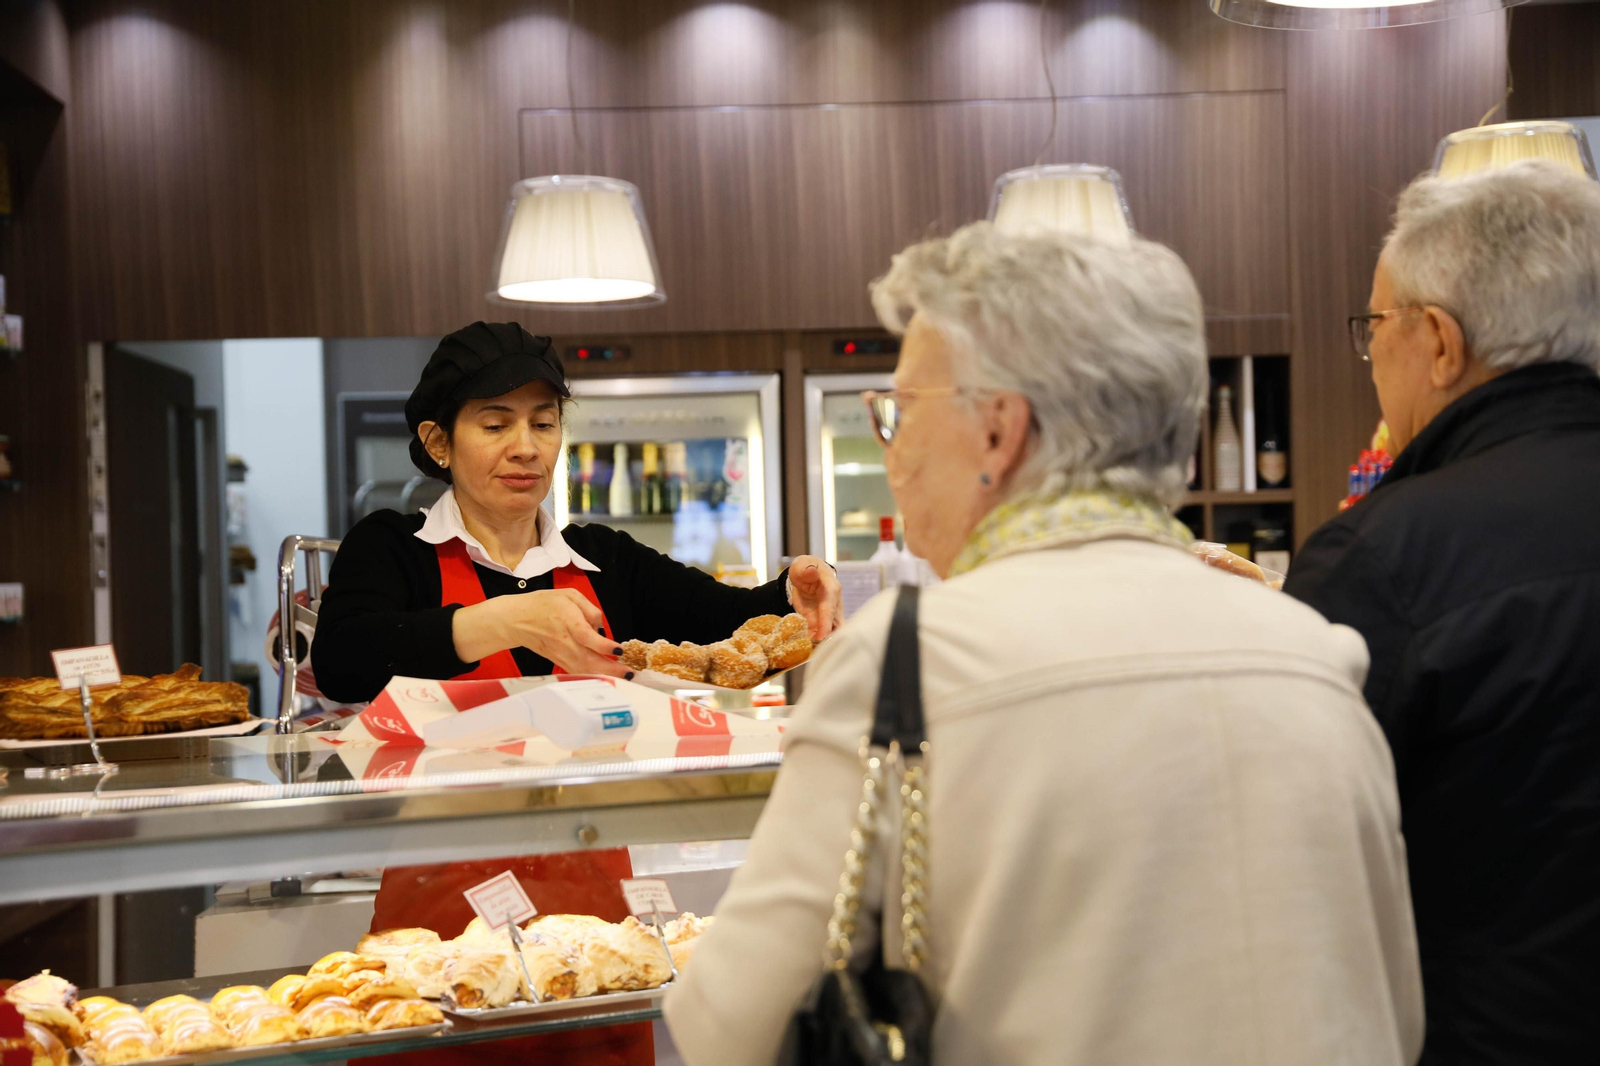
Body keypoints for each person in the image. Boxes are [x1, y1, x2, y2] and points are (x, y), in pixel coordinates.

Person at [663, 223, 1423, 1065]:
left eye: (901, 412)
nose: (895, 453)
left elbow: (728, 1025)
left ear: (998, 430)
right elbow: (1391, 1002)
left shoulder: (905, 666)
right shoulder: (1314, 652)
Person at [310, 321, 842, 1066]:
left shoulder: (604, 560)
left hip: (594, 925)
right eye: (495, 423)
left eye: (544, 422)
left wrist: (794, 591)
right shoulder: (393, 549)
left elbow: (728, 620)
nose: (525, 446)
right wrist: (504, 620)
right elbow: (345, 658)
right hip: (439, 926)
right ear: (438, 442)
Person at [1283, 160, 1600, 1065]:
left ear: (1439, 342)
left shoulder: (1386, 558)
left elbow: (1298, 857)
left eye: (1375, 325)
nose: (1372, 351)